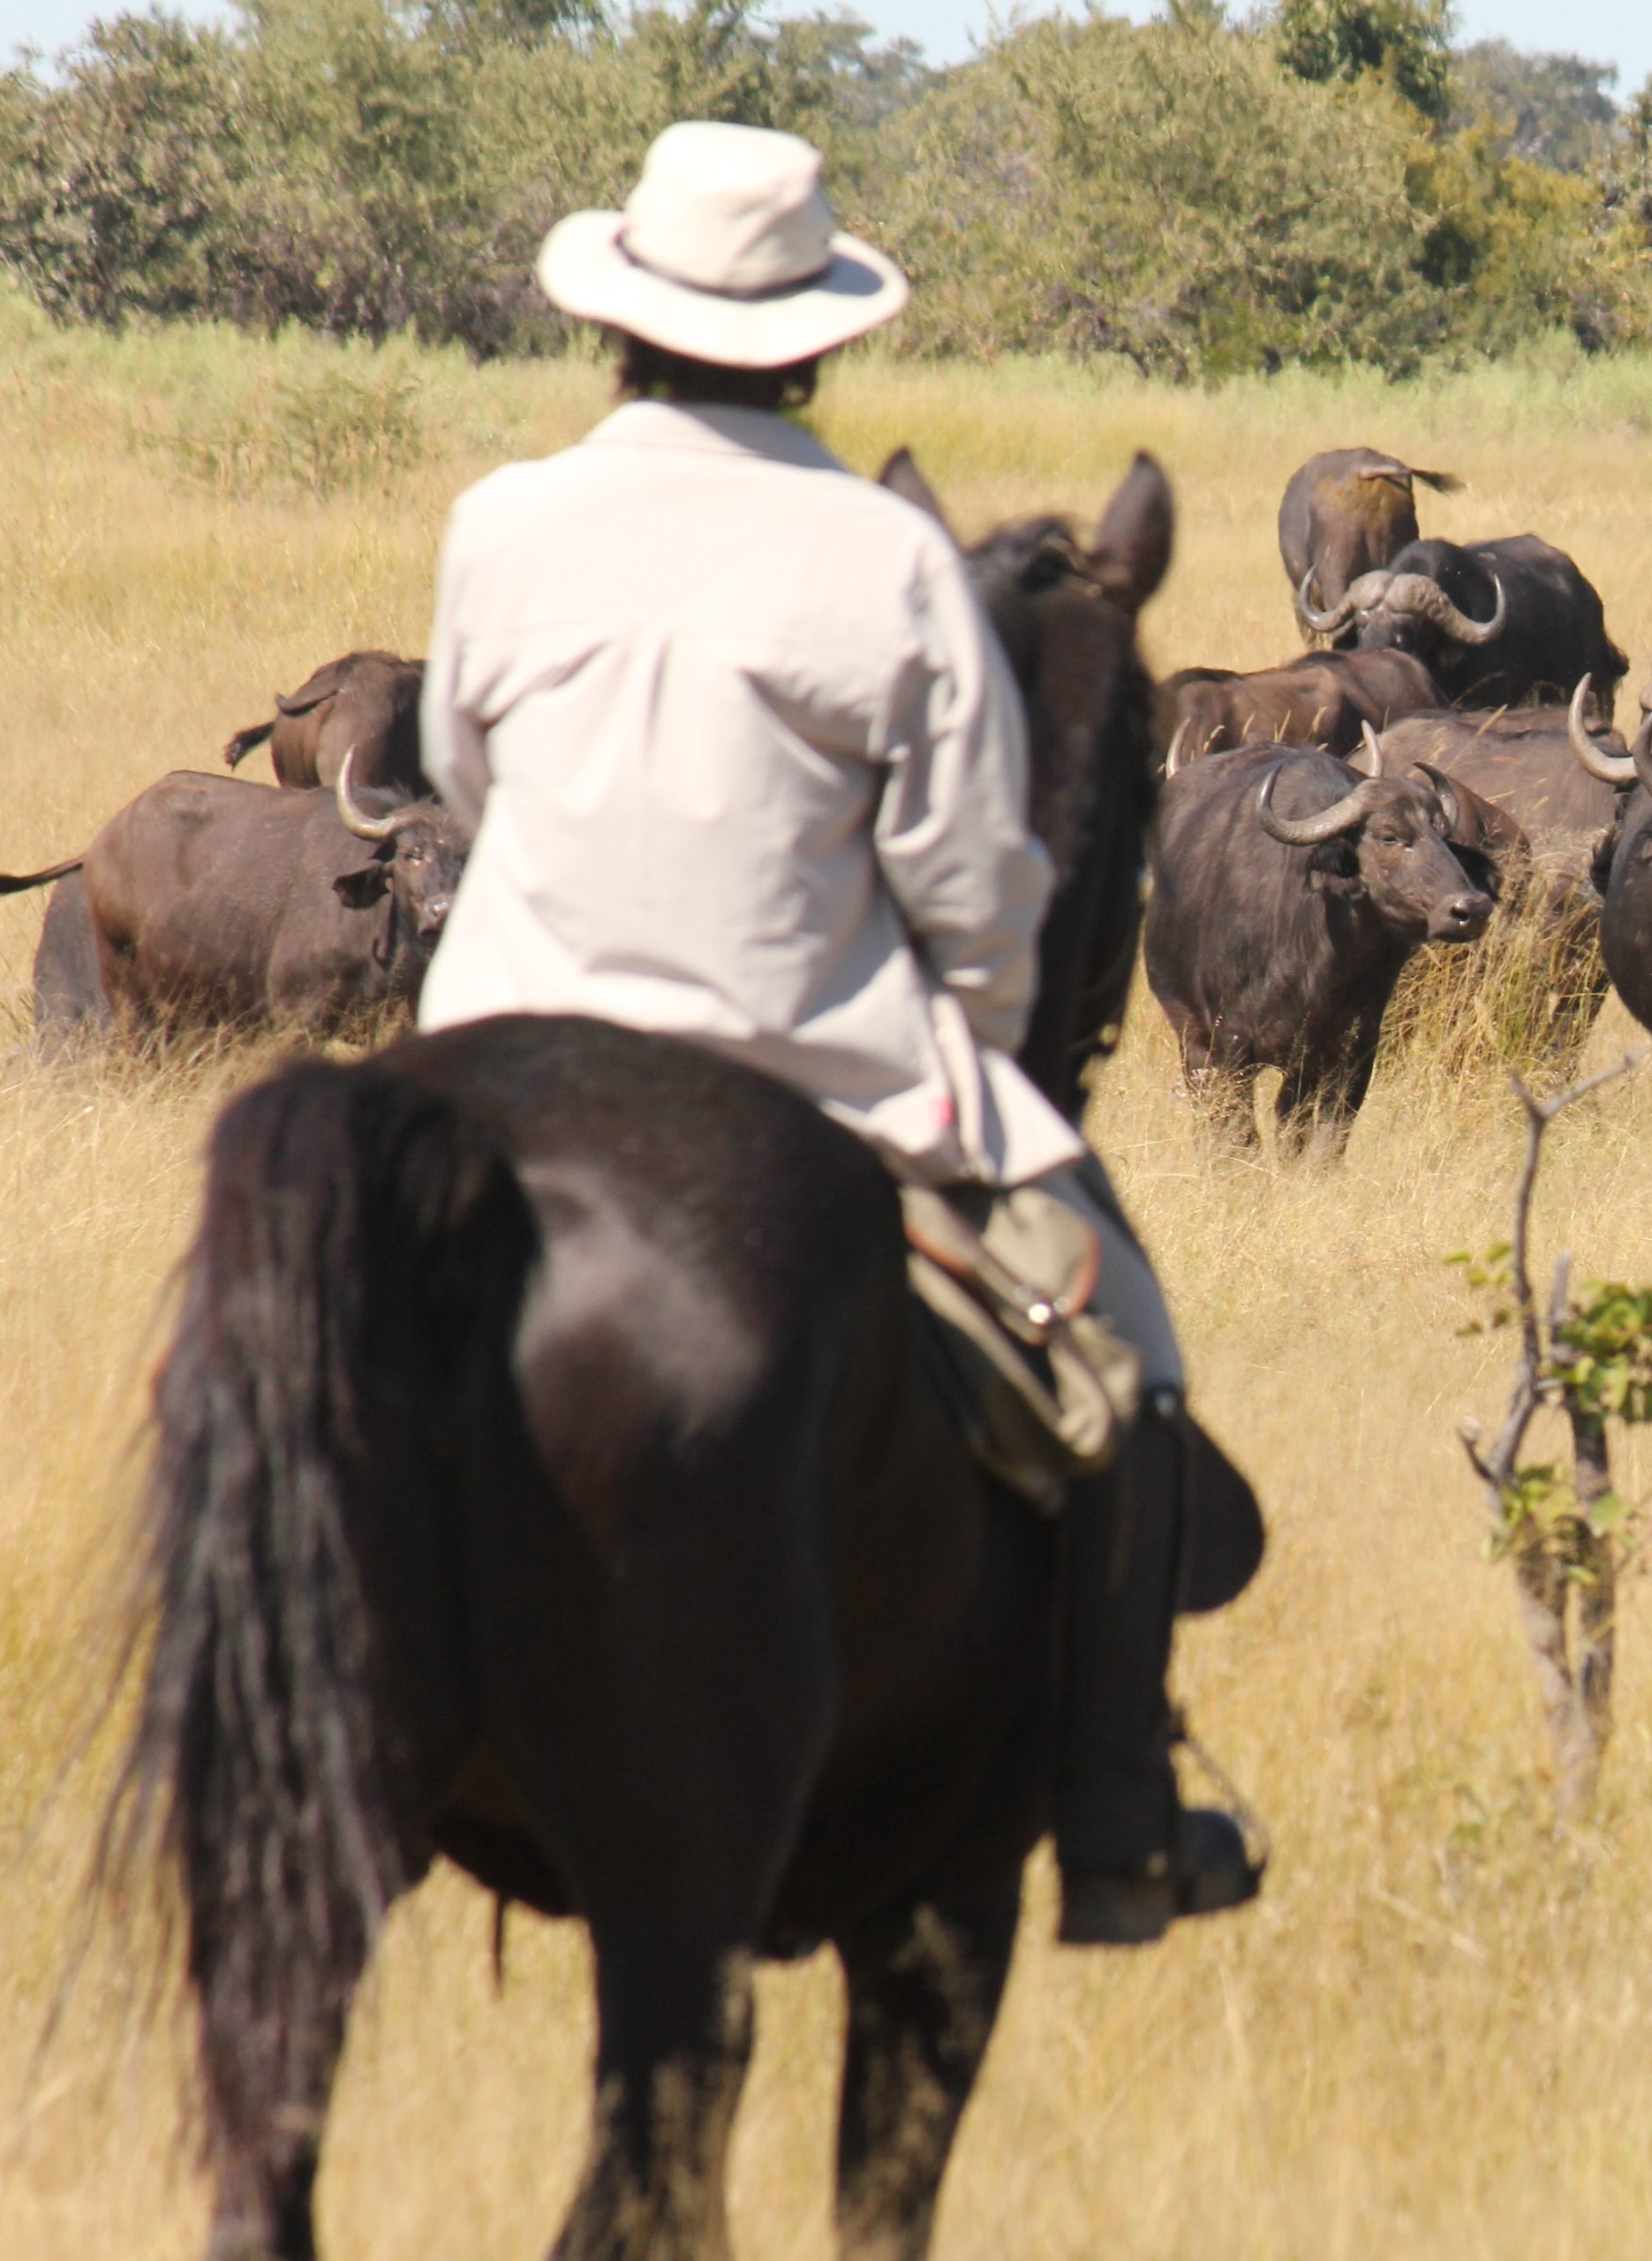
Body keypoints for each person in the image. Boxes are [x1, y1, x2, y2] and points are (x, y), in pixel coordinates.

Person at [416, 119, 1258, 1945]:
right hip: (815, 1063)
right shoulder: (881, 564)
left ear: (617, 320)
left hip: (486, 1041)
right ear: (813, 338)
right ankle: (1117, 1809)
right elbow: (970, 886)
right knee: (1123, 1357)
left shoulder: (500, 518)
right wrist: (980, 1049)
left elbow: (460, 781)